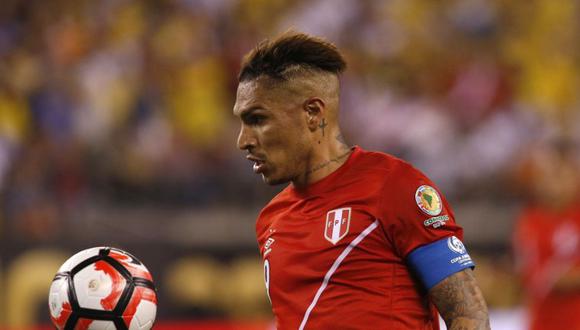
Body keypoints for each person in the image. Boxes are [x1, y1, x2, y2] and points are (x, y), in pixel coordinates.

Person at [233, 32, 490, 330]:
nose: (243, 141)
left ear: (313, 113)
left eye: (257, 120)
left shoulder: (393, 186)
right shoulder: (271, 219)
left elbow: (468, 315)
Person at [513, 140, 580, 330]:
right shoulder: (531, 223)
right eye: (551, 176)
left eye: (564, 175)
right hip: (548, 322)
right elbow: (539, 277)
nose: (557, 184)